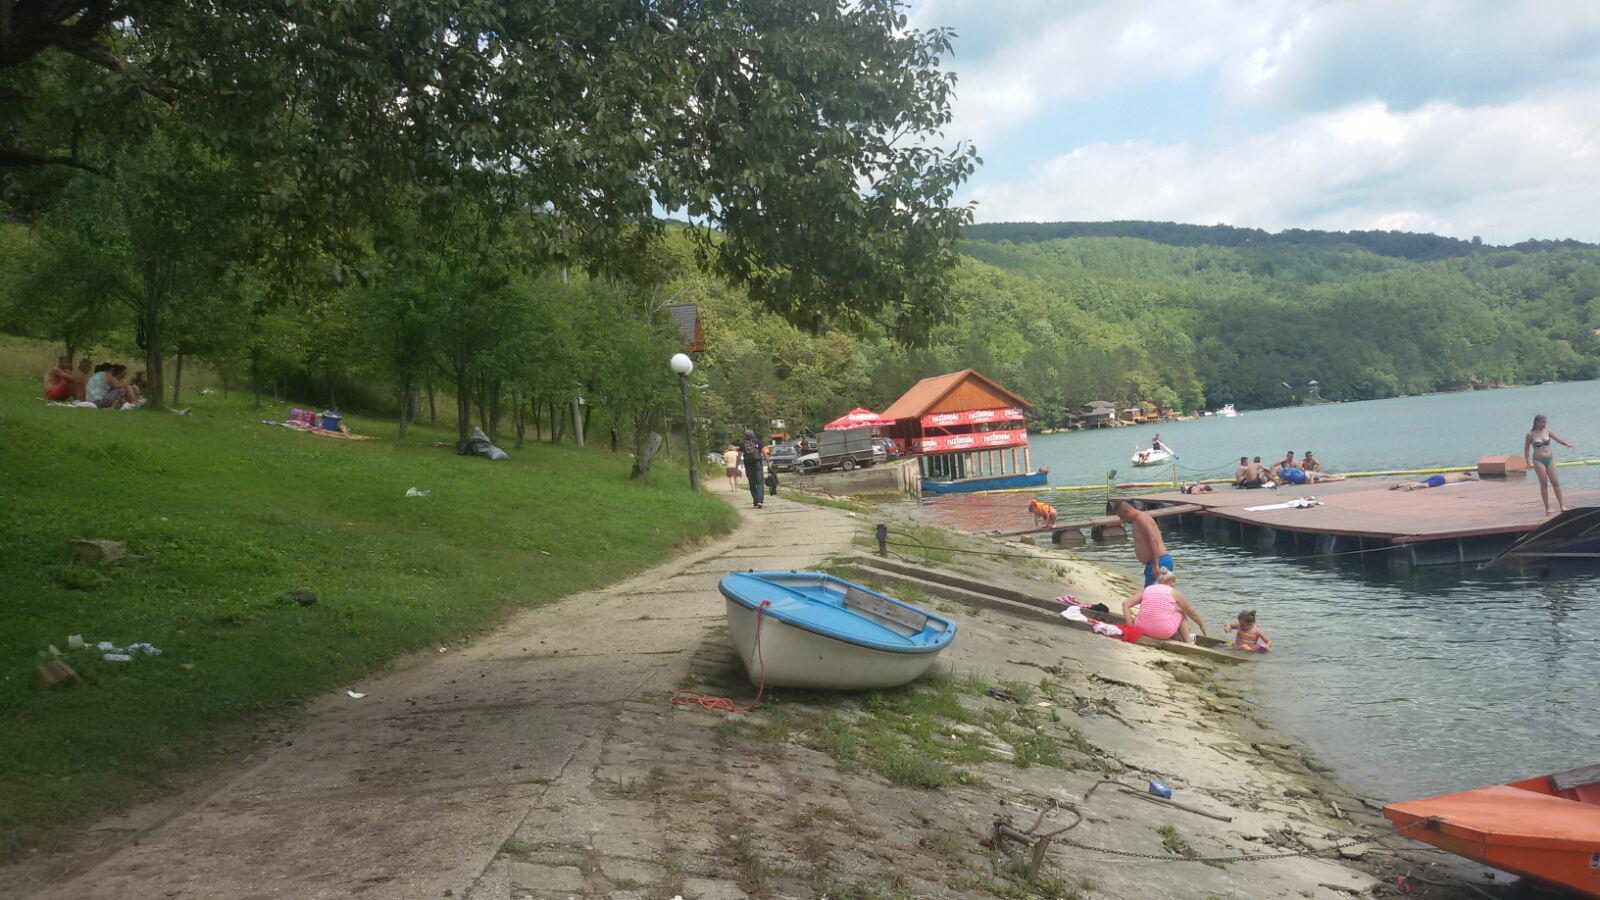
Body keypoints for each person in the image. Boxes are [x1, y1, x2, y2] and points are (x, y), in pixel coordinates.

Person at [1121, 569, 1206, 643]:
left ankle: (1177, 635)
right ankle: (1187, 642)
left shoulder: (1147, 589)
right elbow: (1190, 612)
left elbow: (1126, 604)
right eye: (1174, 582)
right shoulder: (1173, 592)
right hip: (1162, 633)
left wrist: (1130, 627)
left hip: (1141, 628)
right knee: (1181, 614)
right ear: (1170, 582)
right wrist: (1200, 624)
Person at [1524, 414, 1576, 515]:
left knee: (1555, 482)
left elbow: (1557, 438)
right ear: (1536, 422)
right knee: (1544, 483)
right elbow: (1526, 449)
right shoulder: (1530, 434)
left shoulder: (1548, 431)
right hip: (1538, 460)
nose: (1544, 424)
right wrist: (1527, 463)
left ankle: (1562, 505)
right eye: (1543, 422)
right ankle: (1547, 507)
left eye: (1545, 422)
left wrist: (1567, 444)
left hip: (1550, 459)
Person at [1115, 500, 1171, 586]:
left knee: (1152, 594)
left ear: (1127, 511)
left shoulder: (1142, 519)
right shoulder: (1137, 520)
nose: (1122, 519)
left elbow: (1153, 540)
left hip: (1159, 561)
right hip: (1157, 561)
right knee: (1160, 594)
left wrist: (1155, 564)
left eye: (1121, 516)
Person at [740, 429, 766, 509]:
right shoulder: (758, 442)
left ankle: (755, 500)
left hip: (748, 466)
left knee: (752, 484)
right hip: (757, 464)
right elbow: (764, 453)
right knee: (760, 483)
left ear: (745, 436)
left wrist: (736, 466)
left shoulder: (742, 443)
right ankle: (760, 501)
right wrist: (769, 462)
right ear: (753, 434)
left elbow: (739, 455)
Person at [1390, 472, 1477, 491]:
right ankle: (1411, 487)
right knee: (1426, 485)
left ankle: (1399, 485)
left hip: (1438, 476)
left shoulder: (1455, 474)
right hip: (1442, 480)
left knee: (1419, 481)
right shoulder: (1464, 476)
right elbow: (1475, 479)